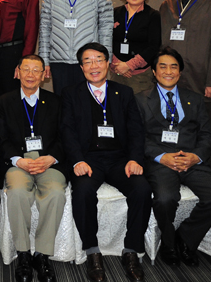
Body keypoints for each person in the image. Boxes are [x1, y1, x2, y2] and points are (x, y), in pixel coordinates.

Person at [61, 42, 151, 282]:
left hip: (119, 159)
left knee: (142, 189)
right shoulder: (71, 93)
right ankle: (92, 251)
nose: (94, 65)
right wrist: (77, 161)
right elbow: (67, 131)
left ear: (108, 63)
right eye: (88, 61)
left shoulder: (124, 92)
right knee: (82, 192)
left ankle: (131, 250)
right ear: (81, 67)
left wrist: (134, 159)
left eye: (99, 60)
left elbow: (136, 130)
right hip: (88, 159)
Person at [136, 47, 211, 267]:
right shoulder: (140, 99)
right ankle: (168, 244)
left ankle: (185, 238)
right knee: (165, 199)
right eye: (163, 67)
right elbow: (137, 138)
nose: (168, 71)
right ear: (154, 71)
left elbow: (207, 136)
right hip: (160, 162)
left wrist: (195, 156)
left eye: (174, 67)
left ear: (180, 72)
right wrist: (161, 157)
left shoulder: (194, 99)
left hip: (191, 160)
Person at [0, 54, 68, 282]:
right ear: (17, 72)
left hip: (48, 161)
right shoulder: (3, 101)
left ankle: (42, 255)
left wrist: (51, 158)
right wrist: (18, 160)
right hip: (18, 161)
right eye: (26, 69)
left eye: (36, 70)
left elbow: (65, 136)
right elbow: (0, 138)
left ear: (44, 75)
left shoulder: (56, 101)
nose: (30, 74)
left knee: (56, 193)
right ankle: (24, 254)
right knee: (17, 192)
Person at [159, 0, 211, 173]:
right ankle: (175, 168)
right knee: (174, 126)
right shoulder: (166, 6)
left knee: (207, 129)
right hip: (171, 80)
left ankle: (209, 173)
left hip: (202, 80)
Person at [39, 0, 113, 96]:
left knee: (88, 103)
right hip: (59, 61)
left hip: (89, 61)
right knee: (62, 103)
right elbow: (45, 28)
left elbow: (106, 27)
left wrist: (105, 59)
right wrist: (44, 60)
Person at [109, 0, 161, 94]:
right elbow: (107, 40)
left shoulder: (152, 15)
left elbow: (154, 46)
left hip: (140, 76)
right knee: (116, 104)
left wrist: (129, 65)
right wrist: (116, 64)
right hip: (116, 72)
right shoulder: (114, 13)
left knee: (138, 105)